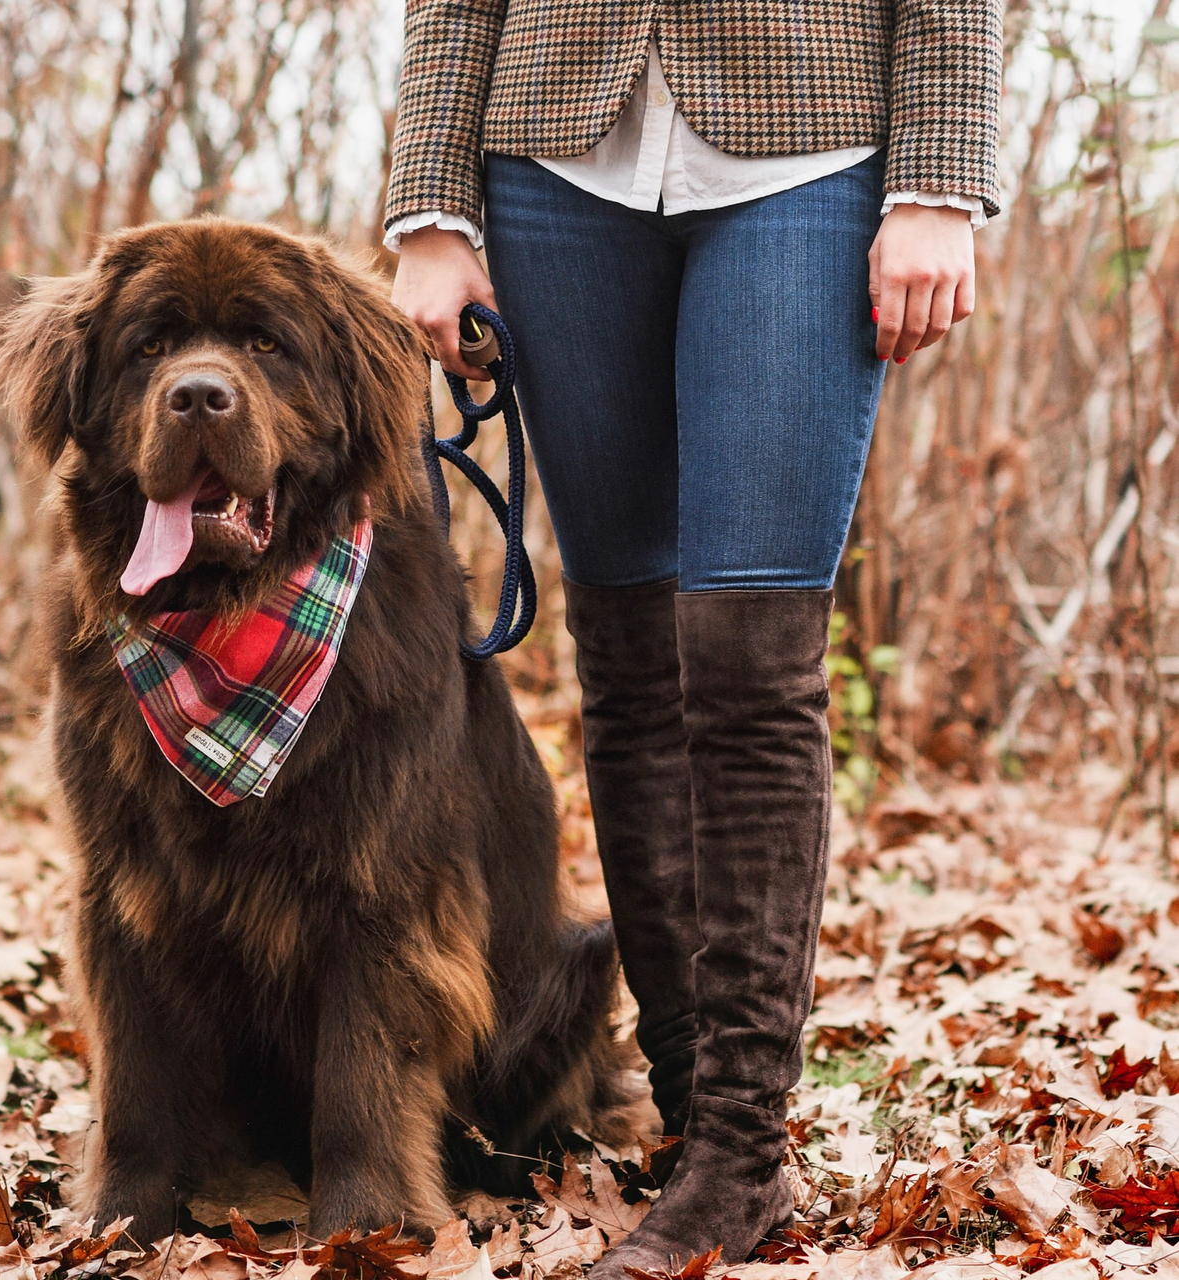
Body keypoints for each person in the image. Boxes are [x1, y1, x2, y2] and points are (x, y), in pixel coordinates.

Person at [384, 1, 1002, 1271]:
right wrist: (431, 207)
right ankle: (687, 1099)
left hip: (809, 141)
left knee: (746, 659)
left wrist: (938, 174)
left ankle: (740, 1146)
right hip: (555, 142)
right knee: (624, 658)